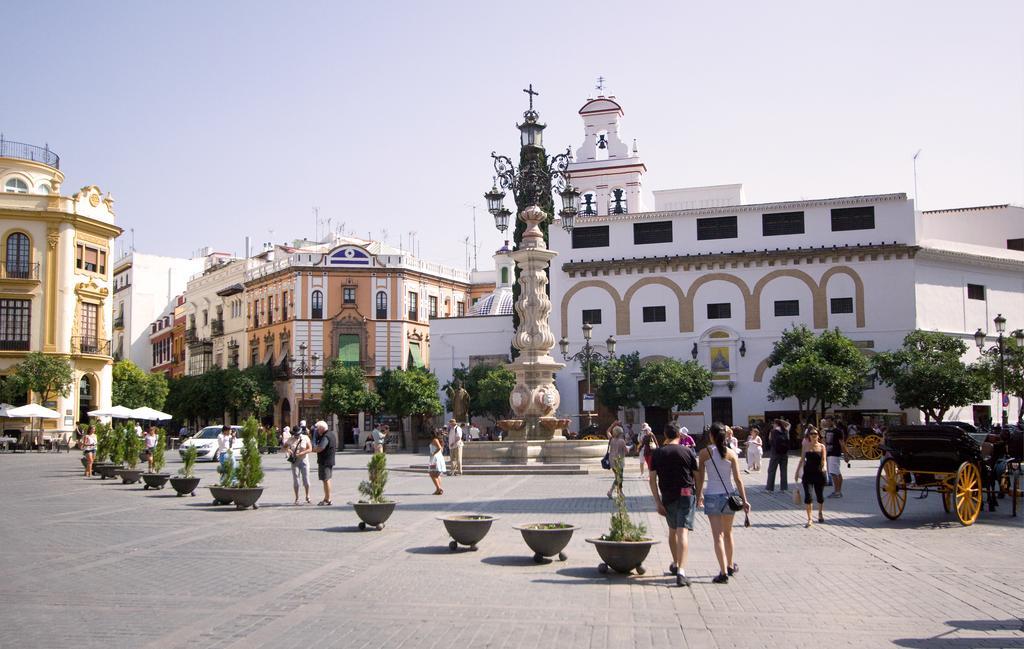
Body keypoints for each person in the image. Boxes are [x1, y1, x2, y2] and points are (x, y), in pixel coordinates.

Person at [695, 422, 751, 584]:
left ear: (711, 436)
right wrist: (745, 500)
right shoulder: (732, 454)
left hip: (712, 495)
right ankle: (730, 565)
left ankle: (723, 571)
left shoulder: (704, 453)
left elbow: (700, 478)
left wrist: (699, 496)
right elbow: (738, 480)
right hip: (729, 496)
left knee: (717, 536)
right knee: (728, 533)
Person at [648, 423, 699, 587]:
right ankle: (681, 572)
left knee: (672, 531)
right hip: (686, 493)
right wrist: (700, 494)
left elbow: (652, 479)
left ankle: (676, 563)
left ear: (665, 434)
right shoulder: (688, 451)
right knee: (682, 532)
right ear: (679, 434)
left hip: (668, 496)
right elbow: (697, 475)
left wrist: (657, 501)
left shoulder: (658, 453)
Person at [795, 425, 827, 527]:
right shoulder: (806, 447)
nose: (813, 435)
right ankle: (809, 519)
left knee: (820, 496)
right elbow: (802, 460)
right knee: (808, 497)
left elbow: (824, 460)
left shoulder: (822, 447)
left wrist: (824, 468)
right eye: (811, 434)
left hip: (819, 473)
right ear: (809, 436)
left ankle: (820, 513)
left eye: (815, 434)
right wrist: (796, 472)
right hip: (808, 474)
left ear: (818, 436)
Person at [284, 425, 312, 505]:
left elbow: (310, 449)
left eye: (298, 434)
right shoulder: (291, 439)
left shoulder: (305, 438)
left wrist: (301, 453)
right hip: (295, 461)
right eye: (295, 434)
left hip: (304, 460)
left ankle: (307, 495)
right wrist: (289, 450)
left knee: (306, 479)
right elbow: (284, 446)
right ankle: (297, 498)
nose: (297, 436)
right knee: (296, 479)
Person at [311, 421, 336, 505]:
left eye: (318, 429)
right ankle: (327, 498)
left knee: (326, 479)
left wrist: (313, 449)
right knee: (326, 479)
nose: (317, 431)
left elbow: (321, 448)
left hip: (325, 461)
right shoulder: (331, 434)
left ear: (321, 429)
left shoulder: (325, 436)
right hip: (328, 460)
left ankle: (328, 499)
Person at [822, 416, 847, 498]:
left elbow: (842, 443)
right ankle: (838, 491)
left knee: (833, 473)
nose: (827, 423)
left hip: (835, 453)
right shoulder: (827, 431)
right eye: (826, 421)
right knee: (837, 473)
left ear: (833, 421)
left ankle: (837, 492)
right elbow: (825, 443)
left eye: (829, 421)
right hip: (829, 453)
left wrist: (846, 454)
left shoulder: (838, 431)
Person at [765, 419, 790, 492]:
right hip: (784, 453)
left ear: (776, 424)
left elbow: (770, 441)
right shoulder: (786, 431)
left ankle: (769, 488)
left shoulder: (773, 431)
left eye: (774, 424)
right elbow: (788, 424)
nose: (773, 425)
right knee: (784, 471)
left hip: (775, 453)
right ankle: (784, 488)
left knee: (772, 470)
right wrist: (781, 421)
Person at [606, 423, 629, 499]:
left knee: (618, 477)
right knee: (619, 477)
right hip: (619, 461)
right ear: (620, 433)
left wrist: (613, 424)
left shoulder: (611, 439)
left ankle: (620, 492)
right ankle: (611, 491)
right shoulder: (622, 441)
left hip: (612, 460)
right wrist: (628, 447)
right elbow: (626, 451)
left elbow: (607, 431)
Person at [428, 429, 446, 495]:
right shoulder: (439, 440)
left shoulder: (435, 440)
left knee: (432, 474)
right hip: (439, 457)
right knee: (437, 474)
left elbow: (439, 448)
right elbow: (441, 449)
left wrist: (433, 453)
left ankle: (438, 488)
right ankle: (438, 488)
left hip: (435, 459)